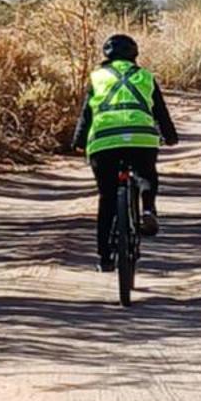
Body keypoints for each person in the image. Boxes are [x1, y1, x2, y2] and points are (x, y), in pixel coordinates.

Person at [71, 32, 179, 271]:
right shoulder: (145, 77)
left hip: (103, 141)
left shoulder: (97, 77)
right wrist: (170, 137)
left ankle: (105, 258)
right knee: (146, 174)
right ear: (134, 55)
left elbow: (86, 114)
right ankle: (148, 209)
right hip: (141, 137)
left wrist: (78, 141)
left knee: (107, 197)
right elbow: (160, 112)